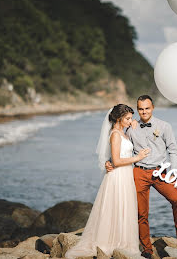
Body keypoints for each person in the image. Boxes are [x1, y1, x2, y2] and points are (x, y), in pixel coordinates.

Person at [105, 95, 177, 259]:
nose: (144, 111)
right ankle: (147, 248)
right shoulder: (130, 127)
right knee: (142, 213)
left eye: (147, 108)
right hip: (139, 172)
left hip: (161, 172)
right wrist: (109, 161)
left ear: (152, 107)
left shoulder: (164, 126)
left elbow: (173, 150)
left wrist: (174, 172)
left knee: (176, 200)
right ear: (137, 109)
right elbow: (117, 143)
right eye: (141, 109)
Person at [65, 104, 150, 258]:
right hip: (118, 176)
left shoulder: (124, 133)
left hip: (126, 175)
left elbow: (115, 157)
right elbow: (116, 161)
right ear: (118, 119)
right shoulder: (116, 134)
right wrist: (138, 158)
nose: (131, 121)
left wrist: (135, 123)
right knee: (115, 208)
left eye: (131, 118)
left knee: (124, 208)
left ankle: (123, 241)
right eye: (128, 118)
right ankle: (111, 242)